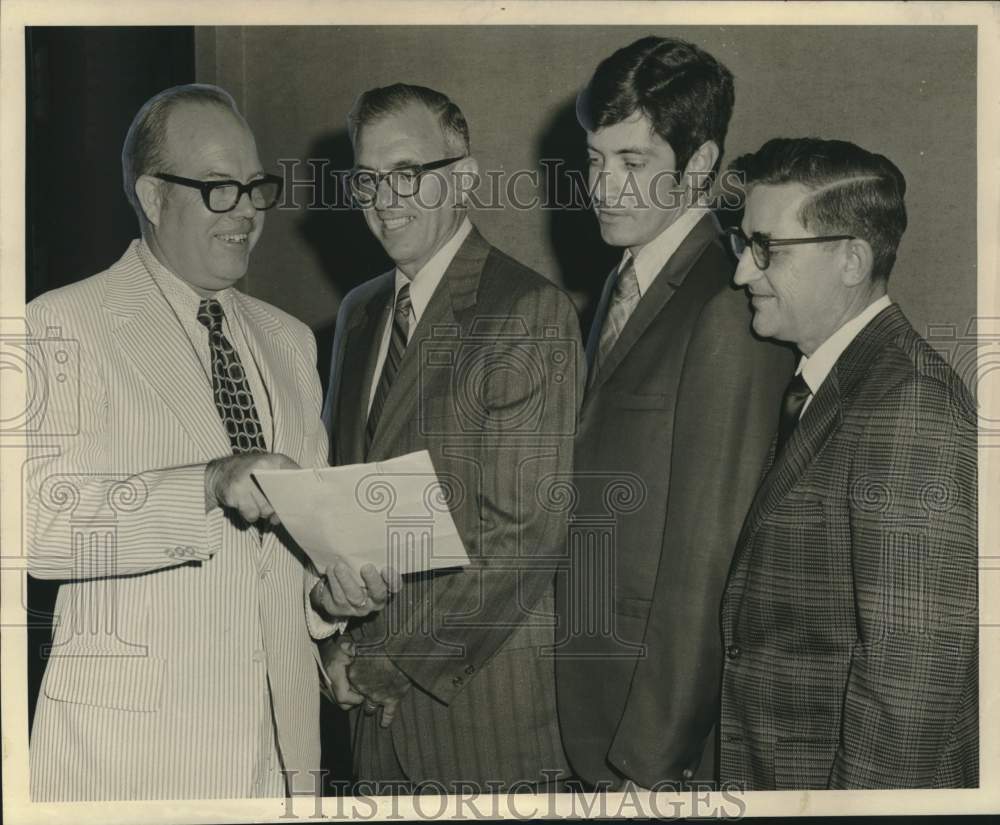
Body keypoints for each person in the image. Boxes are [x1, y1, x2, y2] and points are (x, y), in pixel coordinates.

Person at [25, 84, 391, 801]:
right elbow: (34, 526)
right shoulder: (61, 323)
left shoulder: (287, 342)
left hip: (283, 749)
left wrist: (333, 595)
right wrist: (207, 482)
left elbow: (297, 552)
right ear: (153, 195)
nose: (250, 209)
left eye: (255, 186)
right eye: (220, 189)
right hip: (132, 760)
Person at [319, 83, 583, 792]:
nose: (385, 198)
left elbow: (525, 535)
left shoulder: (526, 310)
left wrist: (393, 661)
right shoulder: (360, 312)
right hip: (368, 719)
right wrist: (337, 637)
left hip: (479, 717)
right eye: (368, 179)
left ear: (463, 176)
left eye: (407, 174)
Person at [554, 37, 793, 790]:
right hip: (588, 693)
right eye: (594, 159)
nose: (603, 188)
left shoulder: (727, 301)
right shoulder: (620, 281)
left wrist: (652, 760)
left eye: (632, 163)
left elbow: (708, 555)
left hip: (650, 735)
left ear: (698, 165)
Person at [719, 137, 978, 789]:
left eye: (766, 249)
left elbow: (907, 696)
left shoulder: (908, 402)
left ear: (851, 259)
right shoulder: (829, 382)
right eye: (743, 244)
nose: (743, 273)